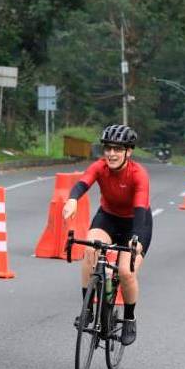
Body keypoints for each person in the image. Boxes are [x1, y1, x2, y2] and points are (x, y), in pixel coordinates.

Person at [61, 124, 151, 346]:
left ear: (128, 152)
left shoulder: (138, 174)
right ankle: (88, 309)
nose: (111, 153)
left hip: (136, 222)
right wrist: (72, 199)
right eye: (108, 148)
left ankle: (129, 318)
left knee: (125, 271)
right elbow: (83, 183)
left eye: (118, 149)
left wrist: (136, 239)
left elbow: (140, 208)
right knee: (91, 248)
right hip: (108, 217)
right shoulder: (100, 166)